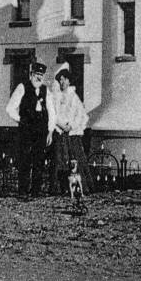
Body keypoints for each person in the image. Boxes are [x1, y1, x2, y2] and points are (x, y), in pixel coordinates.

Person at [6, 62, 56, 197]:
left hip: (41, 130)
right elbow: (10, 108)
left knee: (39, 160)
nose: (38, 78)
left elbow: (52, 112)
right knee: (25, 159)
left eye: (41, 75)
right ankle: (23, 190)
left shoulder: (46, 91)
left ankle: (35, 191)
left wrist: (50, 131)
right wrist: (21, 120)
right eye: (36, 74)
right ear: (31, 75)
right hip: (26, 130)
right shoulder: (22, 87)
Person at [49, 65, 93, 195]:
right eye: (60, 80)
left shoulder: (74, 97)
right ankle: (59, 189)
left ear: (69, 81)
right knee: (59, 160)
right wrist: (61, 125)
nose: (62, 82)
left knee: (76, 159)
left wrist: (71, 126)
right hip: (60, 132)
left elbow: (81, 115)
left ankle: (78, 188)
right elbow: (53, 114)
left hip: (72, 134)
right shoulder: (55, 97)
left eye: (64, 79)